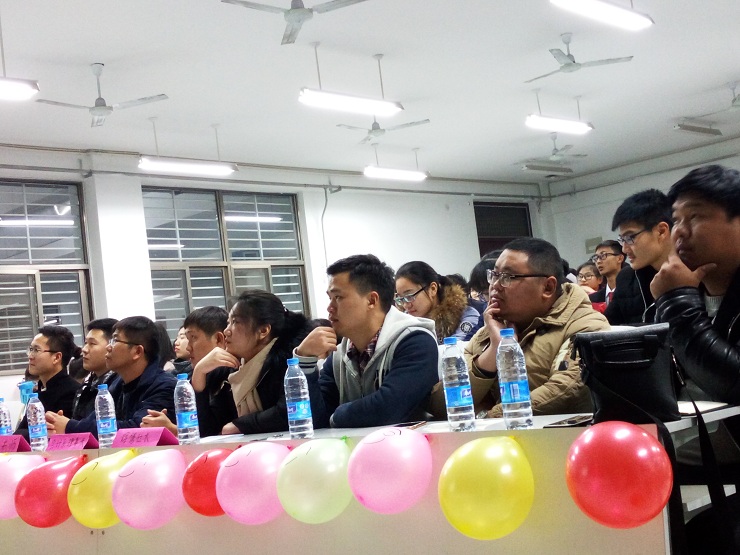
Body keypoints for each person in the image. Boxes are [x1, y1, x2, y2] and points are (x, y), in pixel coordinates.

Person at [429, 238, 609, 419]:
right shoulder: (490, 331)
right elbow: (440, 405)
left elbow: (565, 391)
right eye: (494, 275)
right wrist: (493, 351)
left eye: (508, 277)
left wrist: (488, 417)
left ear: (548, 287)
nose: (495, 286)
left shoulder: (586, 325)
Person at [295, 254, 439, 428]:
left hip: (412, 443)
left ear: (371, 300)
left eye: (338, 297)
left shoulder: (415, 341)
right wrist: (304, 360)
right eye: (330, 298)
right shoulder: (339, 355)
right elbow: (311, 419)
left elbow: (388, 409)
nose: (330, 308)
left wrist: (336, 417)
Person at [188, 293, 315, 436]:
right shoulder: (235, 370)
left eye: (235, 322)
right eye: (228, 322)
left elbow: (293, 412)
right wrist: (199, 373)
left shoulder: (289, 363)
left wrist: (241, 425)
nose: (226, 331)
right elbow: (207, 429)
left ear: (263, 331)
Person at [46, 316, 177, 435]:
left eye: (115, 341)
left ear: (137, 351)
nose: (108, 347)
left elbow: (139, 429)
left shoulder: (164, 386)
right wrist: (58, 424)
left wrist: (70, 427)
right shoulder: (117, 384)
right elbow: (94, 420)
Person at [605, 189, 673, 324]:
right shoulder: (627, 279)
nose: (624, 249)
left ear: (661, 231)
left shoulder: (694, 274)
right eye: (622, 239)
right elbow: (607, 327)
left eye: (630, 238)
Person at [15, 325, 80, 439]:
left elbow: (54, 434)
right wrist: (37, 431)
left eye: (36, 350)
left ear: (56, 357)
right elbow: (18, 433)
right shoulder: (39, 392)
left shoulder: (72, 392)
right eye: (31, 349)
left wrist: (34, 432)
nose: (30, 356)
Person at [394, 261, 479, 342]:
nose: (405, 305)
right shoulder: (404, 324)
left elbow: (456, 348)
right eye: (401, 299)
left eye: (409, 296)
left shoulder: (465, 314)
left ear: (433, 289)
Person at [70, 318, 119, 420]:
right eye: (85, 343)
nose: (84, 349)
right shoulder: (87, 383)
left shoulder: (119, 384)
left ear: (111, 346)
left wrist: (69, 425)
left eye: (92, 344)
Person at [589, 240, 625, 306]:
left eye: (603, 255)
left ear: (620, 258)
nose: (598, 261)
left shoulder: (632, 292)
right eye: (596, 257)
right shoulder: (592, 299)